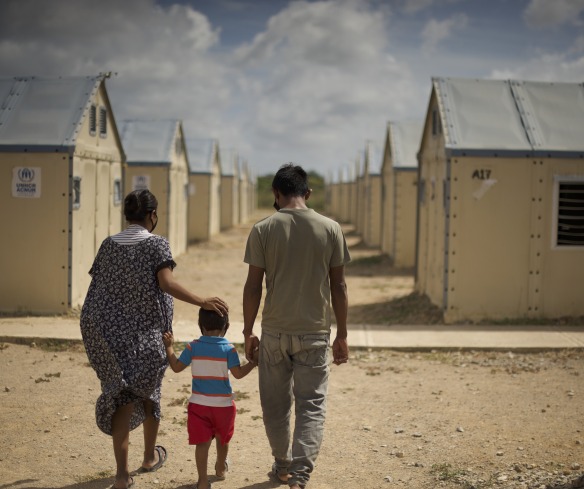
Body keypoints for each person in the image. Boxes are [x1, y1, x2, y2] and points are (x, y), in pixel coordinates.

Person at [80, 189, 228, 489]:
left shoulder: (108, 244)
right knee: (149, 396)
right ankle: (149, 457)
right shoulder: (157, 244)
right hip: (146, 338)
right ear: (152, 215)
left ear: (126, 215)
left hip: (108, 336)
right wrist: (202, 301)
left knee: (121, 399)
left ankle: (122, 476)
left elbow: (99, 289)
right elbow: (167, 282)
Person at [242, 163, 350, 489]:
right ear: (308, 192)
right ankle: (299, 477)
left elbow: (252, 286)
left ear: (276, 193)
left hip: (274, 332)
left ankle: (282, 465)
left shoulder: (263, 229)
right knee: (311, 407)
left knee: (275, 407)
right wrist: (342, 335)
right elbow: (339, 287)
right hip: (315, 332)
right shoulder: (330, 229)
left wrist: (248, 331)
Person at [162, 309, 258, 489]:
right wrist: (253, 363)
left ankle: (203, 482)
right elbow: (237, 374)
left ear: (201, 326)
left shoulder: (193, 347)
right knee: (223, 440)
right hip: (224, 407)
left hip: (199, 405)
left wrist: (169, 347)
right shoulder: (229, 349)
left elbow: (176, 367)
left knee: (202, 444)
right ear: (226, 327)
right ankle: (221, 468)